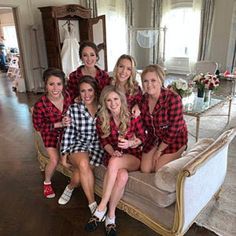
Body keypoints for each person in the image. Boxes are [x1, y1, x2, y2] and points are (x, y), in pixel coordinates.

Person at [85, 85, 146, 236]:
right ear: (104, 102)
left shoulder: (132, 115)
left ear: (121, 100)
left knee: (114, 163)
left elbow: (143, 138)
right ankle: (111, 216)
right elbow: (103, 142)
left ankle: (101, 208)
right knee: (122, 176)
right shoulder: (102, 119)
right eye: (109, 100)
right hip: (114, 155)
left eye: (116, 99)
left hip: (133, 156)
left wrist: (131, 143)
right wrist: (114, 151)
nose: (113, 103)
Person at [58, 76, 104, 215]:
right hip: (78, 144)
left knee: (79, 175)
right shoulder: (73, 108)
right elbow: (69, 132)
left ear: (95, 91)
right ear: (79, 93)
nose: (87, 94)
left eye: (90, 90)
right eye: (83, 91)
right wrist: (64, 155)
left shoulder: (103, 108)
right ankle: (92, 203)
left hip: (97, 147)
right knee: (83, 164)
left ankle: (70, 186)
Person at [140, 64, 188, 173]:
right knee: (146, 169)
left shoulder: (173, 99)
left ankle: (182, 157)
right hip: (155, 138)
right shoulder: (143, 100)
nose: (149, 84)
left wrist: (159, 151)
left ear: (161, 81)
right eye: (145, 81)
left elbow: (174, 130)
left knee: (159, 169)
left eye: (153, 80)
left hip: (174, 139)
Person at [32, 68, 72, 198]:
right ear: (45, 85)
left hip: (67, 131)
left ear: (63, 84)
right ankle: (47, 182)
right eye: (51, 84)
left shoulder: (67, 95)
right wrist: (58, 124)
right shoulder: (40, 105)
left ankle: (74, 179)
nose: (55, 88)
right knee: (54, 160)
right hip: (50, 133)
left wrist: (68, 119)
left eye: (59, 84)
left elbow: (71, 111)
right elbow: (38, 126)